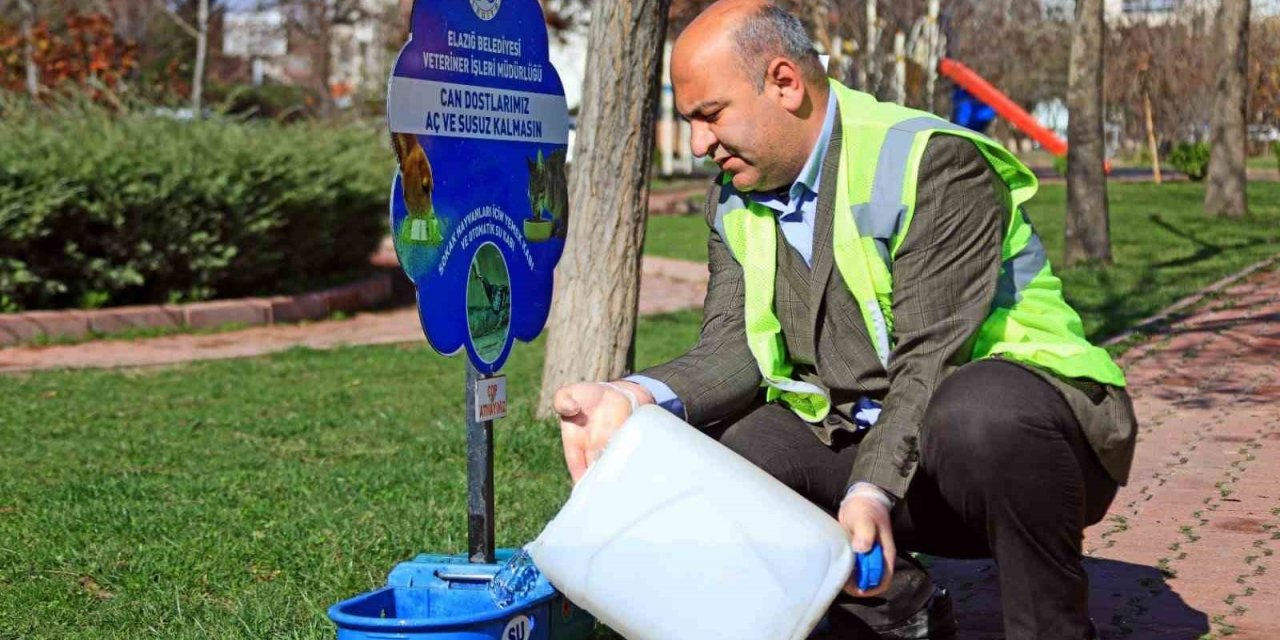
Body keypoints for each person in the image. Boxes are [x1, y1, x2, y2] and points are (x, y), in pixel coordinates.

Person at [552, 2, 1137, 638]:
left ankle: (1050, 627)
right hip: (882, 441)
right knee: (740, 453)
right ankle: (898, 609)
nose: (698, 144)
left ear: (784, 83)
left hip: (1018, 447)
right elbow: (733, 351)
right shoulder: (735, 196)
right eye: (690, 120)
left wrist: (869, 492)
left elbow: (930, 362)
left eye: (710, 115)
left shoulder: (930, 163)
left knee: (980, 413)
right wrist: (630, 396)